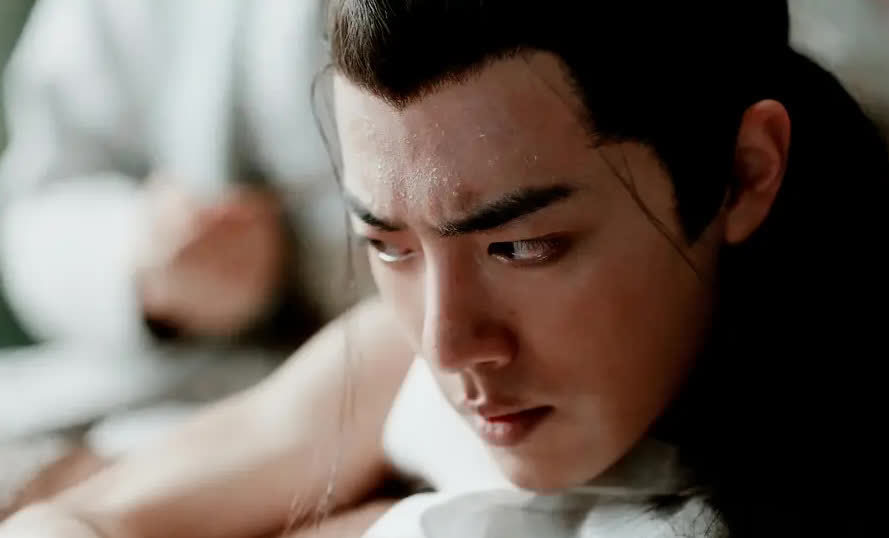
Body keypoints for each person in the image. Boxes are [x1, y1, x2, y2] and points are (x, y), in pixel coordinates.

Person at [2, 1, 887, 537]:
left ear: (743, 174)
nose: (446, 343)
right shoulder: (400, 356)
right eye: (387, 246)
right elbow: (85, 517)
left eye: (522, 246)